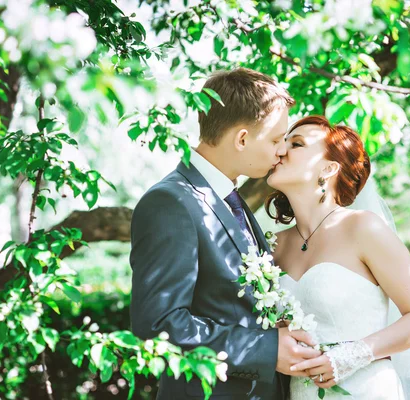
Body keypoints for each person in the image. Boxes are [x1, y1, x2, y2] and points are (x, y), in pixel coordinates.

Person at [129, 68, 321, 399]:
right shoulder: (171, 202)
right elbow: (158, 326)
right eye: (276, 140)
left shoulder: (230, 199)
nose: (281, 151)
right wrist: (267, 349)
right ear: (242, 138)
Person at [266, 115, 410, 399]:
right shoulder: (274, 245)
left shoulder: (363, 228)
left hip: (366, 389)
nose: (280, 150)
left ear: (328, 168)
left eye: (296, 144)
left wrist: (351, 356)